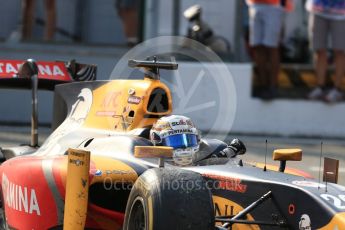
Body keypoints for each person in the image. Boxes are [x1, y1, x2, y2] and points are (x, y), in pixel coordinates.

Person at [150, 115, 246, 167]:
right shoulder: (148, 163)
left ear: (197, 139)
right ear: (158, 141)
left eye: (189, 140)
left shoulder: (210, 154)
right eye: (175, 141)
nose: (185, 147)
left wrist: (229, 151)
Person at [246, 0, 294, 99]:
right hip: (254, 5)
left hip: (274, 6)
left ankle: (273, 86)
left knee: (272, 47)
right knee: (257, 47)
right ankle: (263, 85)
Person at [306, 0, 345, 102]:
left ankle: (337, 89)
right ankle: (320, 87)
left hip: (341, 13)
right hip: (317, 10)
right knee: (319, 50)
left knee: (339, 51)